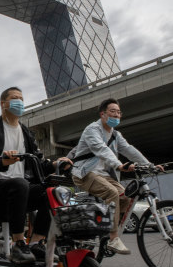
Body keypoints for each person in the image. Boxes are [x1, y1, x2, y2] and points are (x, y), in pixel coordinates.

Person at [0, 86, 72, 264]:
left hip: (20, 190)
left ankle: (35, 242)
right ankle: (19, 243)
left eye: (21, 98)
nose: (19, 101)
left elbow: (39, 162)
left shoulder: (26, 133)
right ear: (3, 103)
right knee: (20, 184)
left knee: (49, 191)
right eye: (14, 98)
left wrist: (57, 163)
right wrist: (2, 160)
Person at [69, 98, 164, 254]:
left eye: (119, 112)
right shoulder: (92, 129)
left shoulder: (116, 135)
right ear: (102, 114)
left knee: (126, 197)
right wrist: (119, 164)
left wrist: (150, 165)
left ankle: (107, 230)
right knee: (112, 193)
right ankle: (113, 238)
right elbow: (100, 149)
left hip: (104, 175)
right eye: (112, 111)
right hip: (85, 173)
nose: (116, 115)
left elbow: (129, 150)